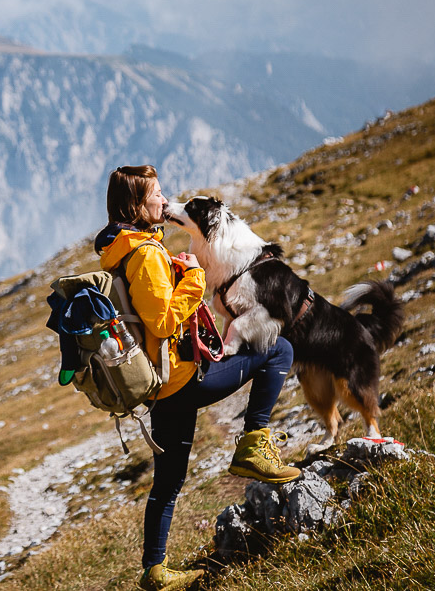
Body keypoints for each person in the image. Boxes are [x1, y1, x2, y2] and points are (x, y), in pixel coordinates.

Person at [94, 165, 300, 591]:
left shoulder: (123, 249)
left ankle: (156, 572)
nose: (163, 200)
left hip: (161, 385)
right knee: (278, 349)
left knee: (168, 481)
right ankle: (254, 445)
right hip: (183, 380)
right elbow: (165, 321)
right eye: (156, 194)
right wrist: (195, 276)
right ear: (136, 205)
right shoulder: (146, 254)